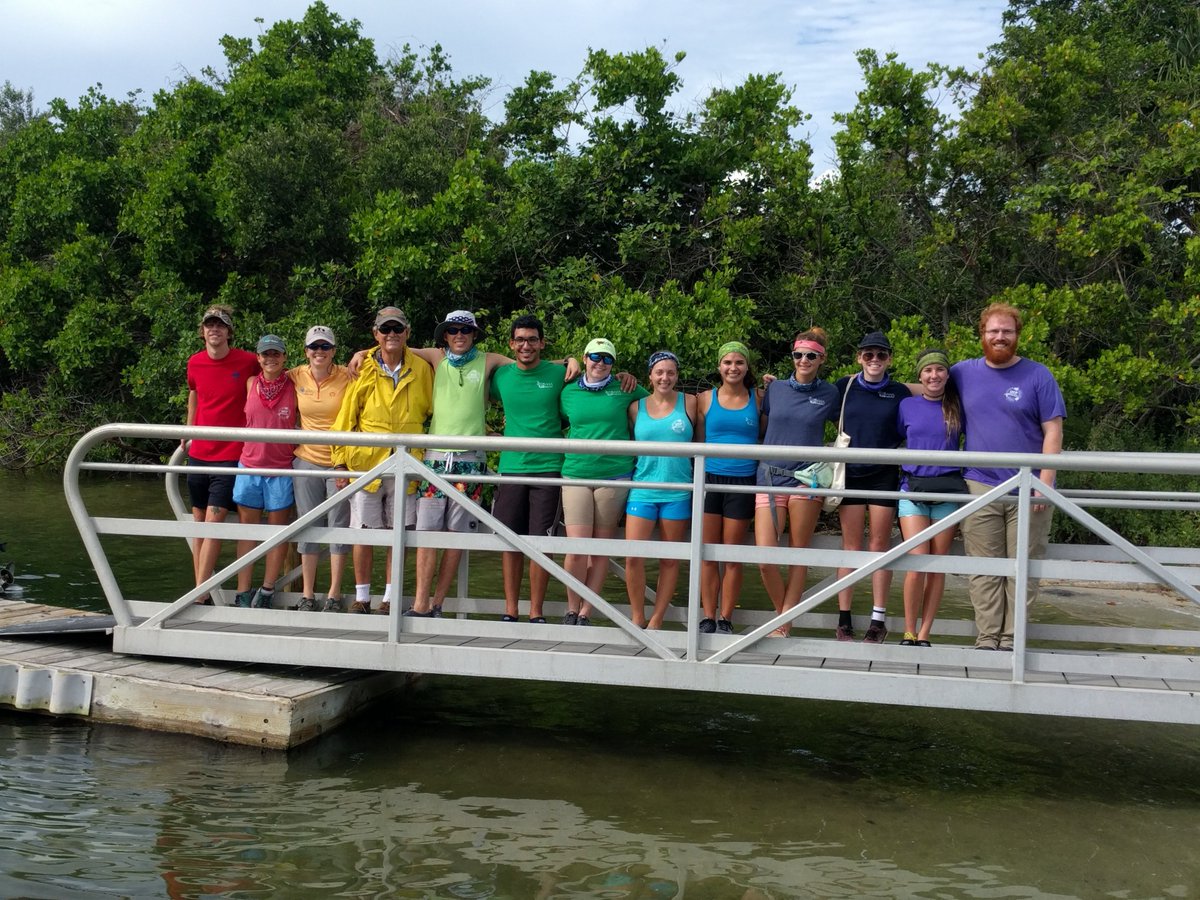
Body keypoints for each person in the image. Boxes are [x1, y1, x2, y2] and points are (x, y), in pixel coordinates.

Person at [954, 302, 1066, 650]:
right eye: (993, 331)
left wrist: (1045, 484)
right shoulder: (963, 372)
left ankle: (1012, 640)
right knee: (985, 569)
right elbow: (927, 386)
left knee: (1022, 568)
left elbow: (1053, 431)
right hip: (979, 483)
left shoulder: (1038, 375)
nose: (1000, 337)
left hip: (1029, 486)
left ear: (1017, 335)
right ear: (982, 334)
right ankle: (988, 638)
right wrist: (864, 381)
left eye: (1007, 331)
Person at [331, 306, 434, 614]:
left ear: (407, 332)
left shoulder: (422, 368)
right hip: (367, 464)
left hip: (408, 465)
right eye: (385, 329)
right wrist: (339, 463)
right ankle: (362, 598)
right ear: (375, 334)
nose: (392, 334)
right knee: (362, 531)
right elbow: (346, 417)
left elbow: (435, 413)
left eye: (397, 329)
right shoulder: (360, 368)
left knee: (397, 534)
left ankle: (389, 600)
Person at [755, 328, 840, 636]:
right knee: (765, 559)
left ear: (821, 359)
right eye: (798, 354)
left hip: (807, 479)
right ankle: (783, 617)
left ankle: (783, 626)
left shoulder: (831, 393)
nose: (803, 360)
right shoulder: (774, 389)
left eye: (811, 356)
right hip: (769, 476)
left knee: (797, 553)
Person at [559, 338, 649, 625]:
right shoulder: (568, 391)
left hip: (615, 475)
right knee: (576, 548)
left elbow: (662, 400)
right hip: (575, 473)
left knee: (600, 548)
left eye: (608, 359)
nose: (601, 363)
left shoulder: (626, 388)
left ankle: (587, 610)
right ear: (585, 358)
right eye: (596, 357)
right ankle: (572, 608)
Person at [490, 315, 569, 624]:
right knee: (510, 541)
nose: (526, 345)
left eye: (532, 339)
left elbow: (591, 384)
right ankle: (511, 609)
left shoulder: (560, 373)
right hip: (511, 468)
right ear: (511, 344)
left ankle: (536, 611)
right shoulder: (500, 376)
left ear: (542, 343)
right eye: (520, 340)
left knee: (541, 541)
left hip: (549, 468)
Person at [833, 331, 911, 643]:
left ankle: (878, 620)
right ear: (859, 357)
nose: (874, 360)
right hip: (850, 473)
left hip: (884, 475)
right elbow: (810, 393)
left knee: (880, 547)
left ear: (889, 358)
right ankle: (844, 620)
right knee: (851, 547)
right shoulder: (845, 386)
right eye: (868, 355)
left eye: (881, 355)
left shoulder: (900, 391)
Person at [184, 305, 260, 605]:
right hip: (199, 452)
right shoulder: (194, 363)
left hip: (230, 453)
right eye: (209, 325)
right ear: (202, 331)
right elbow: (194, 394)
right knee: (199, 525)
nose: (214, 329)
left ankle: (198, 596)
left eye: (220, 325)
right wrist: (187, 430)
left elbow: (268, 382)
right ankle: (201, 591)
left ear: (229, 331)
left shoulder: (248, 361)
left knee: (215, 523)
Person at [624, 351, 699, 629]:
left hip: (678, 492)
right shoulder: (635, 407)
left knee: (669, 560)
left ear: (677, 375)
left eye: (671, 372)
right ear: (651, 376)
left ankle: (657, 619)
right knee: (633, 558)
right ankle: (637, 615)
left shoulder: (690, 403)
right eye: (659, 372)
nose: (665, 377)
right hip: (642, 489)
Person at [896, 348, 965, 646]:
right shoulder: (906, 406)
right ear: (919, 375)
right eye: (928, 370)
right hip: (912, 489)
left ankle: (925, 633)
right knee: (917, 561)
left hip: (947, 490)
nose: (933, 375)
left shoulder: (958, 407)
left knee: (936, 564)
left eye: (939, 370)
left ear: (947, 375)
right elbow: (898, 435)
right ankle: (909, 629)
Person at [696, 342, 761, 634]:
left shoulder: (758, 398)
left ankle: (725, 617)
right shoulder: (703, 399)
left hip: (743, 483)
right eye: (727, 362)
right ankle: (708, 616)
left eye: (738, 362)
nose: (733, 368)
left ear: (747, 367)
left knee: (732, 556)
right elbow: (697, 441)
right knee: (707, 554)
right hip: (710, 481)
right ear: (719, 366)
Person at [231, 335, 298, 608]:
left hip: (281, 469)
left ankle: (268, 589)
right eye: (265, 354)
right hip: (249, 466)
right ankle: (243, 591)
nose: (271, 359)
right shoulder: (250, 383)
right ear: (258, 358)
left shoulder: (295, 385)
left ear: (284, 357)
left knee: (277, 533)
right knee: (247, 532)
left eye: (276, 354)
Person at [290, 325, 354, 612]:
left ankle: (334, 594)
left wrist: (362, 355)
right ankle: (307, 594)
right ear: (306, 352)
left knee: (339, 525)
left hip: (340, 461)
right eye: (314, 347)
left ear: (334, 352)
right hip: (307, 459)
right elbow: (265, 371)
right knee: (308, 524)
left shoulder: (348, 375)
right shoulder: (295, 374)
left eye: (325, 347)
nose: (319, 352)